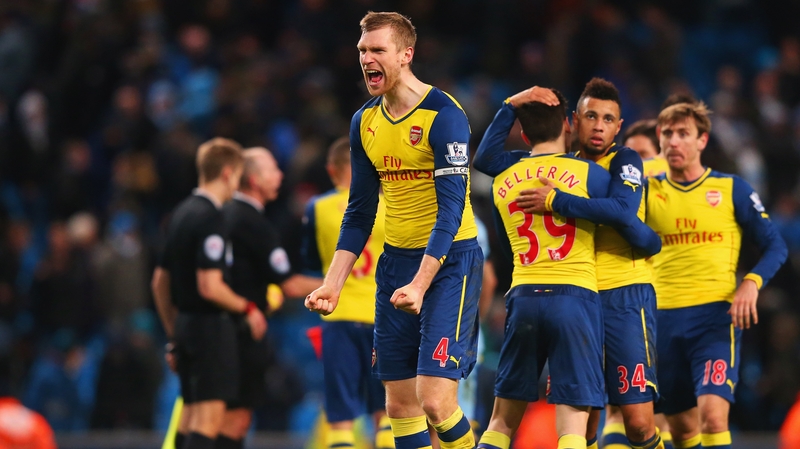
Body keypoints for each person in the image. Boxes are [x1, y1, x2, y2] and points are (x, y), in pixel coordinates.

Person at [305, 11, 484, 449]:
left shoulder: (445, 115)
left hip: (448, 265)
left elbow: (451, 210)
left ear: (406, 55)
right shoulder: (364, 121)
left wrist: (421, 284)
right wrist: (334, 284)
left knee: (435, 401)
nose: (367, 58)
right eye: (363, 50)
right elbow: (359, 212)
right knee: (399, 405)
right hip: (395, 265)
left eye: (377, 49)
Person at [472, 89, 660, 449]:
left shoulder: (506, 176)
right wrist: (652, 241)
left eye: (608, 119)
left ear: (524, 136)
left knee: (500, 420)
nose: (598, 127)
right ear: (570, 123)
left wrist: (509, 104)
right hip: (576, 298)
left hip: (524, 295)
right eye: (591, 117)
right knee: (575, 426)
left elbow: (486, 159)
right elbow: (624, 214)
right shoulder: (590, 174)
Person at [645, 102, 787, 449]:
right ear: (659, 141)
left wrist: (751, 284)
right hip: (661, 320)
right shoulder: (647, 192)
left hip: (715, 319)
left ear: (702, 140)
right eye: (668, 134)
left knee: (712, 416)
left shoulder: (731, 189)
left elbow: (775, 246)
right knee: (682, 429)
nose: (675, 142)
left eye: (684, 134)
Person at [152, 137, 266, 449]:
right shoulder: (211, 217)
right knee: (208, 420)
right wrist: (248, 308)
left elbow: (159, 283)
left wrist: (175, 331)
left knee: (189, 417)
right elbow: (210, 285)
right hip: (211, 328)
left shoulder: (180, 213)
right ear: (228, 173)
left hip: (187, 325)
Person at [217, 146, 323, 449]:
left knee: (215, 417)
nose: (279, 175)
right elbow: (288, 284)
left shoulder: (222, 214)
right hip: (241, 330)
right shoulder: (252, 222)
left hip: (219, 328)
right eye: (272, 170)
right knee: (234, 419)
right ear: (252, 179)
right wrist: (338, 281)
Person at [301, 136, 393, 449]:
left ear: (331, 170)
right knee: (386, 413)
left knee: (340, 418)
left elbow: (312, 260)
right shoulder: (389, 206)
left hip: (337, 316)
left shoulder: (318, 207)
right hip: (382, 319)